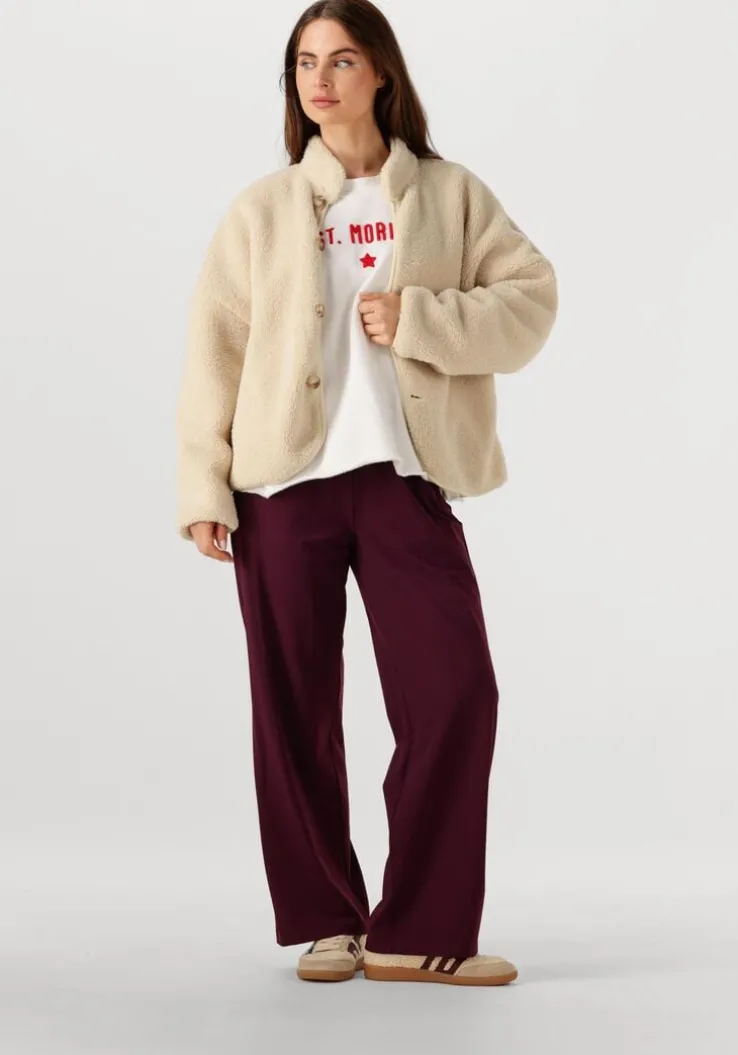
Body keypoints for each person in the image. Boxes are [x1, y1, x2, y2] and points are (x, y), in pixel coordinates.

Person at [175, 0, 557, 987]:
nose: (321, 79)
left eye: (342, 59)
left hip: (402, 481)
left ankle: (417, 927)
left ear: (381, 71)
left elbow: (531, 298)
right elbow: (215, 349)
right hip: (281, 489)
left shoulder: (449, 193)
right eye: (305, 62)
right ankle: (328, 919)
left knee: (455, 693)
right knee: (292, 707)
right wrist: (204, 482)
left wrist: (420, 317)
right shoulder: (261, 210)